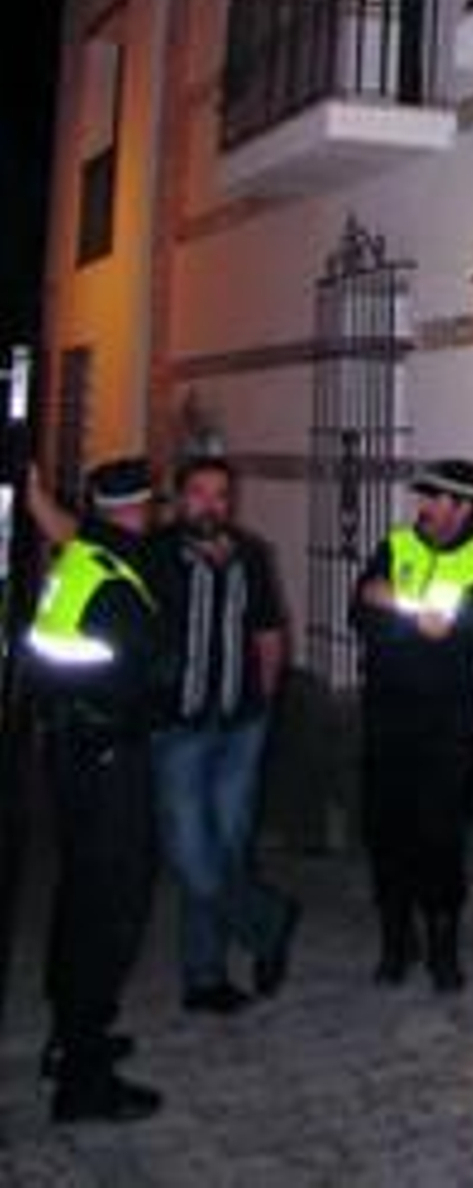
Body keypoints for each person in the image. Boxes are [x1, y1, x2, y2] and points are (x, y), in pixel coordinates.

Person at [23, 458, 171, 1124]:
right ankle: (84, 1079)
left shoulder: (80, 558)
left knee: (78, 899)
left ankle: (68, 1038)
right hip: (108, 763)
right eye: (152, 507)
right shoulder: (114, 583)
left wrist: (36, 501)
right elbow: (140, 678)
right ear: (136, 511)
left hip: (72, 757)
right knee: (108, 914)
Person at [143, 453, 298, 1012]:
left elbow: (268, 632)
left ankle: (204, 977)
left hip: (240, 724)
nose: (211, 504)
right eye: (200, 493)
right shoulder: (154, 554)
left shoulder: (252, 555)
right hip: (177, 726)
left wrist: (266, 703)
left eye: (221, 495)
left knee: (228, 846)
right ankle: (267, 922)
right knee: (190, 850)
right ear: (179, 497)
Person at [351, 457, 473, 990]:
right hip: (388, 719)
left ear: (464, 508)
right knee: (385, 832)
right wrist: (412, 616)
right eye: (424, 498)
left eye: (436, 499)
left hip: (447, 731)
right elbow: (361, 609)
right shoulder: (396, 546)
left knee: (440, 840)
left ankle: (443, 946)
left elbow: (454, 636)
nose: (424, 508)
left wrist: (395, 608)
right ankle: (395, 942)